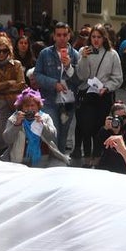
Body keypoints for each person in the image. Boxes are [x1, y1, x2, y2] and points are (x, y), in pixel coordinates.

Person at [75, 24, 123, 166]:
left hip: (103, 95)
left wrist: (107, 87)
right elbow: (82, 76)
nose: (96, 40)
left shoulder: (112, 54)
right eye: (93, 37)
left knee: (100, 128)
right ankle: (86, 157)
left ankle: (97, 157)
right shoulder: (83, 51)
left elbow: (118, 78)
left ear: (104, 38)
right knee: (85, 127)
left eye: (99, 37)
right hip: (87, 94)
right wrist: (83, 58)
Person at [34, 23, 81, 155]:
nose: (62, 38)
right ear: (54, 36)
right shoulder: (45, 53)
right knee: (53, 133)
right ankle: (53, 161)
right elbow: (37, 75)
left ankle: (59, 160)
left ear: (69, 36)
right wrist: (54, 84)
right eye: (58, 35)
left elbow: (80, 80)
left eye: (64, 35)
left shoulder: (75, 55)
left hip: (68, 103)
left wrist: (69, 67)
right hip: (49, 100)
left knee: (63, 135)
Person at [1, 88, 70, 167]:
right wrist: (17, 125)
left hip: (42, 159)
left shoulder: (45, 118)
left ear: (38, 106)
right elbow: (7, 139)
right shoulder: (14, 118)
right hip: (19, 160)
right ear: (21, 107)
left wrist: (42, 125)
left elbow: (52, 137)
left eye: (32, 105)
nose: (30, 109)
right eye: (26, 106)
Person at [0, 34, 25, 157]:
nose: (1, 54)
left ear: (9, 51)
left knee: (13, 138)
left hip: (13, 105)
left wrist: (0, 87)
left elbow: (21, 85)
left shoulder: (16, 64)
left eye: (5, 51)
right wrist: (9, 83)